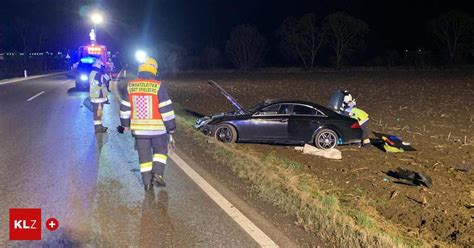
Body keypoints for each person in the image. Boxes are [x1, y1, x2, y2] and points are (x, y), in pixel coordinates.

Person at [118, 57, 176, 191]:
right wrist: (171, 127)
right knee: (161, 151)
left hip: (139, 131)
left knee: (144, 157)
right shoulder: (158, 85)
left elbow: (125, 107)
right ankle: (157, 173)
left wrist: (125, 124)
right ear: (154, 70)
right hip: (158, 130)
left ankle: (147, 184)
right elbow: (166, 108)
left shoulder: (131, 86)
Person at [89, 59, 108, 133]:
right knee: (98, 114)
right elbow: (102, 83)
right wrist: (105, 75)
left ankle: (99, 126)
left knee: (98, 113)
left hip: (95, 96)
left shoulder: (92, 73)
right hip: (98, 97)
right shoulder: (98, 74)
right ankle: (98, 128)